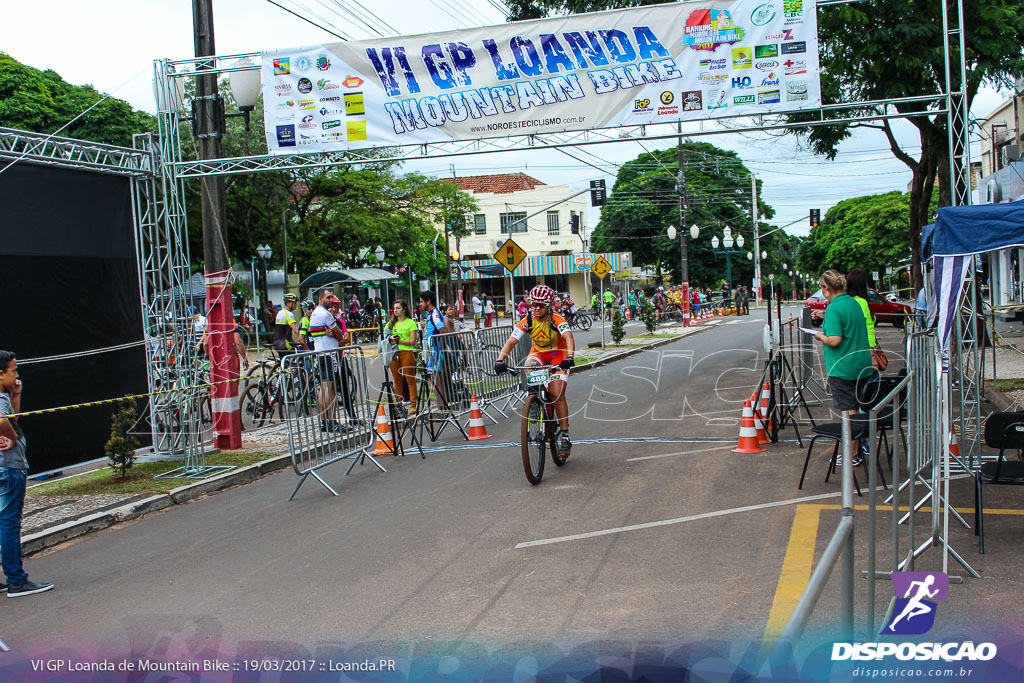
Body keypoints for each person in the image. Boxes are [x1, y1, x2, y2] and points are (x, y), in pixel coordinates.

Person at [493, 285, 576, 455]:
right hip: (538, 353)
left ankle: (565, 436)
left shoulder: (557, 319)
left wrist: (569, 358)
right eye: (534, 304)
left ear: (549, 306)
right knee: (529, 367)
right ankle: (534, 401)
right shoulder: (528, 320)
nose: (537, 309)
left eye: (541, 305)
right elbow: (511, 341)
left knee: (556, 393)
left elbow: (568, 337)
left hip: (559, 355)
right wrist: (500, 360)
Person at [0, 350, 55, 597]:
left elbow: (12, 416)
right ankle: (16, 580)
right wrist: (13, 437)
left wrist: (16, 393)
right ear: (1, 374)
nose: (17, 374)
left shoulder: (5, 395)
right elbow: (3, 421)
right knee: (10, 523)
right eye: (14, 370)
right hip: (9, 466)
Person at [811, 269, 873, 468]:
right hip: (861, 364)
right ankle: (856, 451)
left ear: (826, 288)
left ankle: (851, 454)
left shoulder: (834, 308)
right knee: (857, 409)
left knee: (849, 413)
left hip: (843, 367)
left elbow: (835, 340)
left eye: (822, 288)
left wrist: (820, 336)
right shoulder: (854, 303)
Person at [309, 287, 352, 432]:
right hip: (329, 354)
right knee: (330, 389)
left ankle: (324, 422)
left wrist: (332, 332)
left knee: (324, 388)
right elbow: (340, 335)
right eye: (328, 297)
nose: (331, 300)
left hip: (321, 352)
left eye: (332, 297)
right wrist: (334, 333)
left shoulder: (315, 313)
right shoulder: (325, 314)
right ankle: (332, 421)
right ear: (320, 299)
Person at [384, 300, 418, 413]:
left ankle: (413, 403)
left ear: (404, 309)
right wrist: (390, 339)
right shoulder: (390, 324)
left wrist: (399, 341)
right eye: (394, 309)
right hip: (394, 353)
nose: (396, 311)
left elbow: (412, 341)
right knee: (397, 380)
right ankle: (398, 404)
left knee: (410, 379)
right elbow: (385, 338)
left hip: (406, 352)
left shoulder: (410, 323)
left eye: (398, 308)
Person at [418, 290, 451, 404]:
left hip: (435, 349)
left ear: (428, 301)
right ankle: (442, 405)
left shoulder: (435, 314)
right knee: (436, 378)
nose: (420, 304)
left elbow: (443, 330)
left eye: (422, 302)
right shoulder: (431, 314)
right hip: (432, 349)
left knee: (433, 377)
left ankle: (442, 405)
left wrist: (443, 347)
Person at [272, 293, 306, 358]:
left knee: (285, 365)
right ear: (289, 303)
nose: (296, 305)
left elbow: (282, 332)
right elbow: (296, 330)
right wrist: (303, 338)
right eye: (295, 303)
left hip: (278, 344)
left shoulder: (280, 312)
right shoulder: (289, 314)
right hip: (286, 346)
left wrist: (293, 340)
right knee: (301, 357)